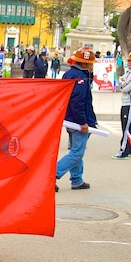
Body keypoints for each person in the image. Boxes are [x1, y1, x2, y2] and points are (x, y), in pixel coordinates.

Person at [55, 47, 98, 192]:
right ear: (85, 64)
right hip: (77, 120)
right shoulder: (81, 78)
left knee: (76, 150)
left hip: (69, 118)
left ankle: (77, 180)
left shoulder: (69, 73)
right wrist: (83, 122)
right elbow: (77, 102)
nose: (92, 66)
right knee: (77, 152)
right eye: (91, 63)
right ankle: (52, 174)